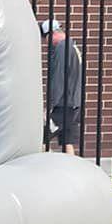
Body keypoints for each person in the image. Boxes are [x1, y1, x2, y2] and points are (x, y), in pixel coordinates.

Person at [41, 18, 84, 155]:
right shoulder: (72, 46)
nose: (46, 42)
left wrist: (50, 106)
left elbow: (59, 78)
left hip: (62, 105)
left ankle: (48, 164)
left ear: (52, 34)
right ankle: (72, 167)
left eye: (46, 38)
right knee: (67, 142)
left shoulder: (61, 48)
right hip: (74, 104)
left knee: (41, 139)